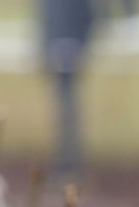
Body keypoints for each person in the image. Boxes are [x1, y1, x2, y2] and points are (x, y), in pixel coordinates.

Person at [39, 0, 93, 173]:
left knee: (66, 105)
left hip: (69, 48)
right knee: (65, 104)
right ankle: (67, 156)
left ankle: (69, 156)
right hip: (63, 47)